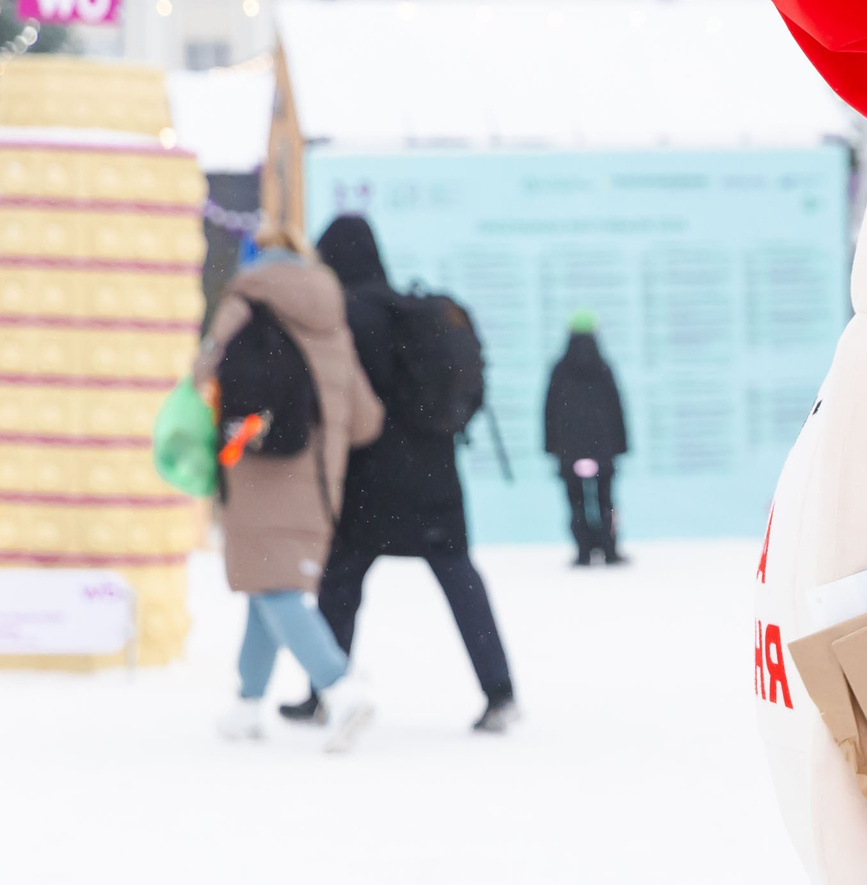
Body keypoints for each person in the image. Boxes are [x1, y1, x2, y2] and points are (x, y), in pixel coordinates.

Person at [302, 215, 519, 734]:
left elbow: (346, 400)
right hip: (435, 474)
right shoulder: (413, 312)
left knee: (341, 583)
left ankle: (324, 692)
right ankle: (500, 691)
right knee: (460, 580)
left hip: (370, 477)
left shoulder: (348, 317)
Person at [197, 225, 384, 752]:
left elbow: (204, 376)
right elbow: (367, 418)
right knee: (268, 584)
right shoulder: (332, 315)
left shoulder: (244, 301)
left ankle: (341, 688)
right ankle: (246, 705)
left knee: (275, 588)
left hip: (256, 470)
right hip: (321, 479)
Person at [543, 312, 629, 566]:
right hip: (603, 450)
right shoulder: (603, 368)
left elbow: (549, 411)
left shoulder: (559, 369)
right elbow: (616, 409)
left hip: (570, 451)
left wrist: (552, 447)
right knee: (606, 499)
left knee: (576, 500)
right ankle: (610, 549)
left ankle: (583, 550)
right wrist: (620, 446)